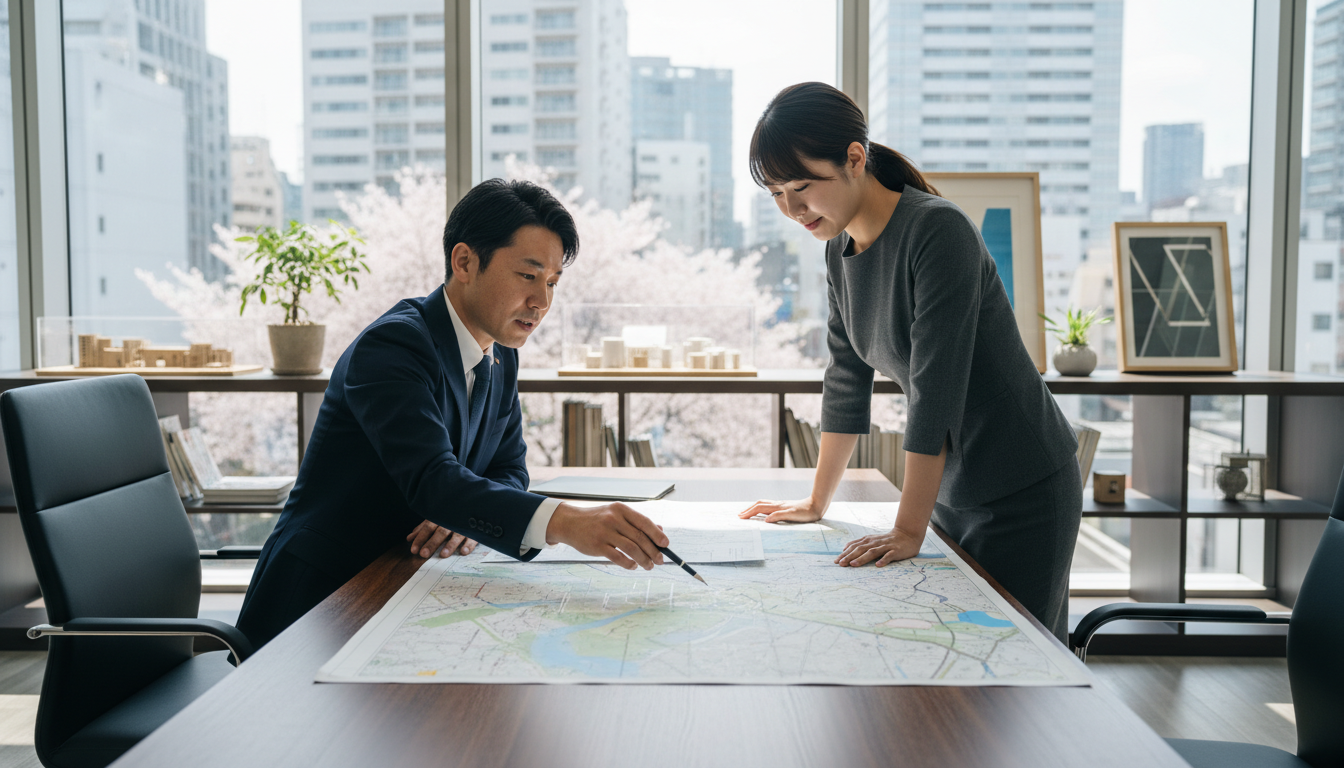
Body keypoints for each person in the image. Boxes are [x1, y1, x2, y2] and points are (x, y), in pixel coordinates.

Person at [237, 179, 668, 649]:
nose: (542, 303)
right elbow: (432, 482)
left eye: (552, 283)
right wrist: (567, 522)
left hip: (402, 585)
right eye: (528, 276)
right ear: (464, 262)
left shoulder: (499, 355)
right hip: (319, 603)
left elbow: (509, 468)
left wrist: (461, 510)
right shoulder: (394, 346)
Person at [738, 83, 1081, 642]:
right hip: (948, 488)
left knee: (1020, 672)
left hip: (1023, 490)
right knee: (950, 654)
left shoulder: (936, 230)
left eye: (801, 186)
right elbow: (846, 379)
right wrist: (816, 501)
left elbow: (934, 392)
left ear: (854, 158)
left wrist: (907, 527)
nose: (791, 208)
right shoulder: (837, 248)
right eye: (776, 192)